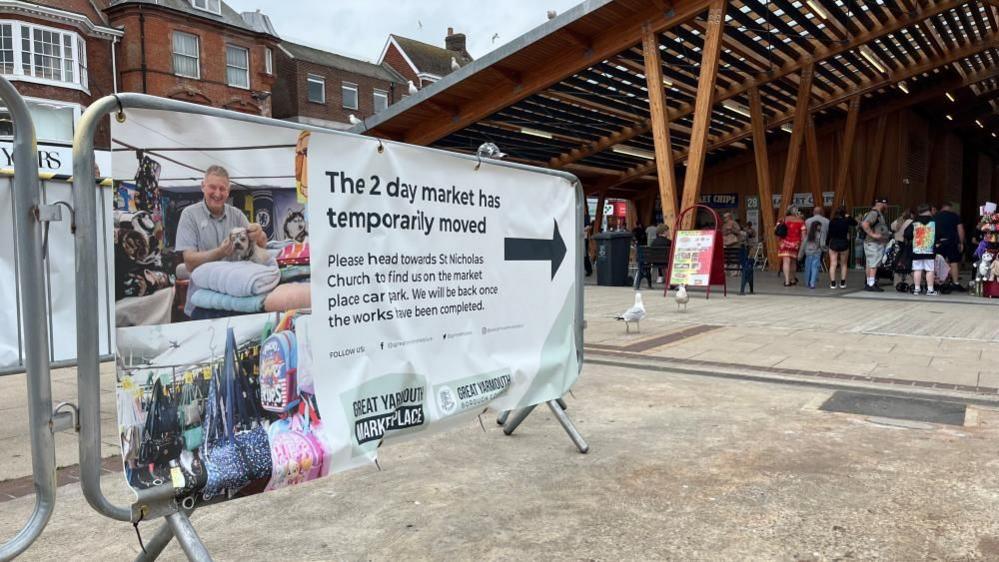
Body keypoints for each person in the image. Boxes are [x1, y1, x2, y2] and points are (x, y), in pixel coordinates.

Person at [175, 165, 267, 317]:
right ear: (203, 187)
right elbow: (189, 262)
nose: (217, 193)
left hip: (234, 302)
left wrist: (259, 233)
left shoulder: (237, 215)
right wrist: (220, 252)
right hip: (201, 304)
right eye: (212, 187)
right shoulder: (189, 215)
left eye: (222, 189)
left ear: (228, 191)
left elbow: (261, 245)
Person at [905, 204, 937, 295]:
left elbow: (906, 234)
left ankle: (917, 289)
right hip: (929, 251)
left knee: (917, 270)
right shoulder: (934, 221)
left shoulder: (914, 222)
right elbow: (939, 234)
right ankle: (930, 290)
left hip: (917, 250)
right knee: (930, 270)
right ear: (929, 211)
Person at [861, 198, 890, 291]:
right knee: (874, 264)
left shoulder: (877, 213)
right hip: (873, 243)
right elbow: (865, 224)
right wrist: (873, 234)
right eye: (886, 204)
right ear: (882, 204)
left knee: (870, 264)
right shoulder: (874, 213)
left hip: (872, 243)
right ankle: (871, 284)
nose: (887, 207)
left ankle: (869, 283)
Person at [934, 202, 965, 290]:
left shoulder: (936, 216)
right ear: (950, 208)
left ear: (942, 208)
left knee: (939, 261)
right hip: (952, 242)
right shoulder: (955, 216)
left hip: (939, 242)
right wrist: (961, 242)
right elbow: (960, 230)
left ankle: (939, 282)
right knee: (953, 262)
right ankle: (955, 283)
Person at [826, 207, 856, 289]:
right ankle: (842, 283)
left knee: (833, 264)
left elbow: (829, 233)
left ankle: (833, 283)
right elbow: (855, 223)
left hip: (833, 243)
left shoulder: (832, 221)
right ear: (844, 214)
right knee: (844, 264)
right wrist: (848, 216)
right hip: (844, 243)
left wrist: (827, 243)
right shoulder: (846, 221)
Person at [777, 207, 806, 287]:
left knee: (786, 261)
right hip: (795, 244)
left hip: (784, 243)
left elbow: (777, 231)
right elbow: (803, 236)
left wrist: (779, 242)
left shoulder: (782, 219)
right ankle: (793, 279)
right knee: (793, 262)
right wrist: (801, 245)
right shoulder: (801, 221)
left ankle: (787, 281)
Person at [799, 220, 824, 289]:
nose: (820, 228)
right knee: (814, 268)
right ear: (818, 227)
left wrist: (800, 254)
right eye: (820, 226)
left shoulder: (808, 235)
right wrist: (824, 249)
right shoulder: (820, 234)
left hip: (808, 254)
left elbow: (803, 245)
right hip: (816, 253)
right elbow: (822, 244)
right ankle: (812, 283)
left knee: (808, 268)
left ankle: (807, 283)